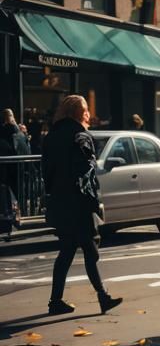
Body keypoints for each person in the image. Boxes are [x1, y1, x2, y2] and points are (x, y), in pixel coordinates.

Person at [41, 95, 122, 316]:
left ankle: (56, 301)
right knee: (90, 249)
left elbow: (46, 171)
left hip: (59, 201)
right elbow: (86, 174)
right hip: (78, 203)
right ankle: (102, 297)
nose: (88, 113)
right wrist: (93, 203)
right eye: (86, 109)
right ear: (78, 112)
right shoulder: (81, 136)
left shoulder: (52, 135)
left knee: (67, 251)